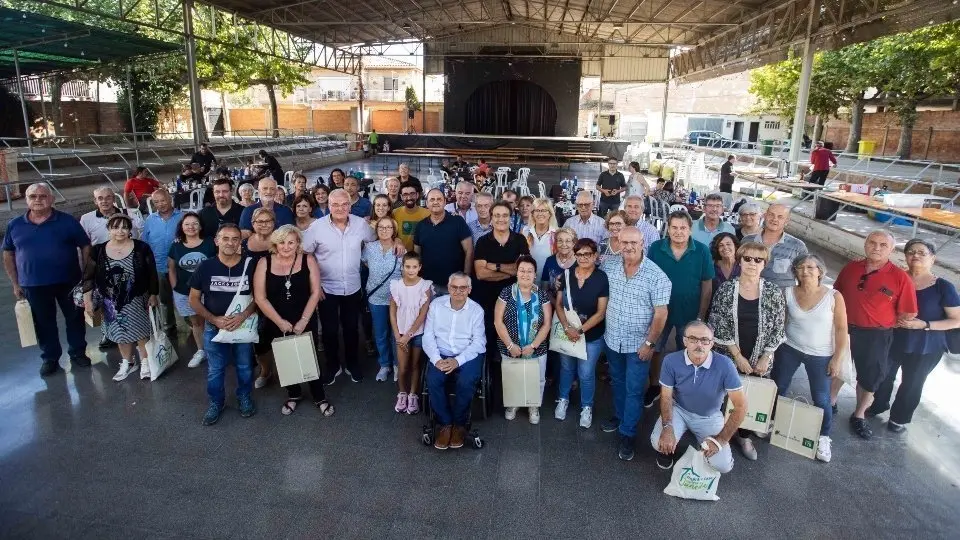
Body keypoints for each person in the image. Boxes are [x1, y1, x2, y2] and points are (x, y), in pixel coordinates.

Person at [834, 230, 918, 440]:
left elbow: (909, 312)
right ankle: (830, 402)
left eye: (883, 245)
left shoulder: (900, 277)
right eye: (873, 243)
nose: (877, 248)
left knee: (869, 377)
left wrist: (884, 322)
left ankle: (859, 414)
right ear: (866, 244)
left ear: (891, 249)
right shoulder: (851, 268)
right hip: (844, 328)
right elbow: (836, 294)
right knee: (837, 367)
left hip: (875, 335)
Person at [871, 239, 960, 433]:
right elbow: (880, 303)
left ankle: (898, 418)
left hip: (926, 345)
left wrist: (924, 324)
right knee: (882, 375)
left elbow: (956, 320)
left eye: (922, 252)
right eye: (911, 252)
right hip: (893, 339)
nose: (915, 256)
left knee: (912, 383)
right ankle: (877, 405)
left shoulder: (943, 287)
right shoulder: (896, 279)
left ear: (933, 259)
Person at [3, 183, 92, 376]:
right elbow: (8, 254)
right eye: (33, 196)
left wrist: (85, 273)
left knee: (75, 317)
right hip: (33, 284)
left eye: (43, 196)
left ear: (51, 199)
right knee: (43, 322)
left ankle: (78, 352)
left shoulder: (67, 221)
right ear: (26, 200)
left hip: (70, 281)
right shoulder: (15, 225)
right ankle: (50, 357)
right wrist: (15, 283)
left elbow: (85, 245)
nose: (38, 200)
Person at [709, 241, 786, 461]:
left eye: (758, 260)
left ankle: (744, 436)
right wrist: (737, 356)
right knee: (724, 397)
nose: (752, 263)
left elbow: (779, 326)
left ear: (764, 264)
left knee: (750, 398)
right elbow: (717, 322)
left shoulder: (772, 291)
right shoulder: (726, 289)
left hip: (760, 358)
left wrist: (766, 356)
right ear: (740, 261)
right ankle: (720, 436)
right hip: (729, 355)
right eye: (748, 258)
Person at [600, 227, 671, 461]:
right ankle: (620, 417)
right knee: (618, 382)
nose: (629, 247)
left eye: (634, 242)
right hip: (612, 339)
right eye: (625, 242)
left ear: (643, 244)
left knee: (633, 389)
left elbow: (661, 314)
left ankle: (628, 433)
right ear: (618, 243)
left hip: (639, 345)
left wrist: (650, 343)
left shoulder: (657, 276)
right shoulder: (609, 267)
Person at [771, 254, 848, 462]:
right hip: (790, 347)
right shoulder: (787, 292)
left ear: (820, 271)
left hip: (821, 354)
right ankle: (772, 422)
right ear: (795, 272)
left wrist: (837, 359)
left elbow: (841, 330)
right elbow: (782, 322)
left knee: (821, 397)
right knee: (779, 386)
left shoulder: (834, 296)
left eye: (811, 267)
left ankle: (823, 437)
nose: (805, 271)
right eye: (801, 267)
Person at [252, 225, 333, 417]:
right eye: (282, 242)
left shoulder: (308, 259)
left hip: (304, 317)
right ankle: (294, 394)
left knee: (310, 358)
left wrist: (304, 320)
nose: (286, 246)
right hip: (275, 319)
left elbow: (315, 292)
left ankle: (319, 396)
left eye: (291, 242)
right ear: (275, 243)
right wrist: (279, 322)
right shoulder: (264, 262)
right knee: (284, 358)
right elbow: (260, 298)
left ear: (298, 243)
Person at [303, 189, 378, 384]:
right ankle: (333, 365)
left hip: (352, 287)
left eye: (344, 204)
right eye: (335, 205)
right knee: (329, 330)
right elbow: (305, 254)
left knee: (351, 329)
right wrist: (314, 285)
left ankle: (352, 364)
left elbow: (375, 241)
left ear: (350, 206)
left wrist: (394, 239)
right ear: (328, 206)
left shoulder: (361, 224)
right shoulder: (316, 227)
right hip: (326, 288)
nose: (340, 208)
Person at [650, 321, 744, 473]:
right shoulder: (671, 361)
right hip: (679, 410)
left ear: (712, 343)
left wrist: (720, 440)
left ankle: (706, 445)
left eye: (705, 340)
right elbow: (666, 397)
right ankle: (668, 450)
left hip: (709, 416)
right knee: (657, 442)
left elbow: (741, 406)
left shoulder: (725, 365)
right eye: (693, 339)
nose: (699, 345)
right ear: (684, 341)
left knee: (723, 466)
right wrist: (667, 427)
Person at [188, 223, 258, 425]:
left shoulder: (249, 265)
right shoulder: (206, 266)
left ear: (240, 242)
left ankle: (244, 396)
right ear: (217, 241)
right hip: (213, 327)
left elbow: (259, 297)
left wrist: (243, 316)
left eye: (235, 239)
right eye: (225, 238)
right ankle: (216, 403)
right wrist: (213, 319)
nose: (230, 243)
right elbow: (193, 299)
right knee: (215, 369)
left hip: (242, 327)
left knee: (244, 367)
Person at [645, 211, 715, 408]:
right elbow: (648, 279)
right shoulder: (656, 248)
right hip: (660, 311)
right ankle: (654, 385)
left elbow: (707, 285)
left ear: (690, 230)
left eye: (683, 228)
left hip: (690, 313)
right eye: (674, 227)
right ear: (668, 228)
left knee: (687, 351)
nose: (678, 232)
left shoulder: (701, 250)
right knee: (655, 348)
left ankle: (682, 390)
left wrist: (701, 316)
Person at [83, 214, 159, 381]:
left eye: (124, 227)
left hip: (138, 298)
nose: (120, 231)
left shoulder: (141, 248)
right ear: (109, 229)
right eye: (115, 227)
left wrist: (153, 294)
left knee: (141, 332)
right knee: (119, 332)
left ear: (130, 230)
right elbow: (88, 277)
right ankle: (128, 362)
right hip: (110, 302)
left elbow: (152, 273)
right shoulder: (98, 250)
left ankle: (145, 361)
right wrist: (88, 300)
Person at [423, 273, 486, 450]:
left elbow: (479, 342)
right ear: (449, 288)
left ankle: (459, 424)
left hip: (466, 354)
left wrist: (458, 361)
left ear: (469, 290)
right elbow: (428, 336)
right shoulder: (436, 306)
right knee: (434, 380)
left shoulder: (476, 310)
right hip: (440, 353)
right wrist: (436, 359)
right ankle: (445, 424)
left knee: (466, 381)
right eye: (454, 287)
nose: (458, 291)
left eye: (463, 288)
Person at [554, 238, 609, 428]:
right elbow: (559, 304)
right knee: (567, 368)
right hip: (568, 333)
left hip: (591, 335)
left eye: (588, 254)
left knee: (585, 373)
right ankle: (563, 399)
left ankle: (587, 407)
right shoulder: (566, 274)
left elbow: (601, 312)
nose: (583, 258)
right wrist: (567, 328)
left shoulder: (601, 278)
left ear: (595, 256)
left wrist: (579, 331)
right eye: (579, 254)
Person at [494, 255, 553, 424]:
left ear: (535, 274)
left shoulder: (541, 295)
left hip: (536, 348)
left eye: (529, 271)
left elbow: (547, 323)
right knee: (513, 375)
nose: (525, 274)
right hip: (510, 346)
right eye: (522, 270)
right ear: (516, 272)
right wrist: (510, 345)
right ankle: (514, 403)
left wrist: (533, 346)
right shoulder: (506, 292)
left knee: (538, 378)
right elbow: (498, 321)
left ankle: (533, 405)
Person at [167, 211, 216, 368]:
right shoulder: (176, 246)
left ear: (200, 226)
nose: (191, 227)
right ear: (181, 227)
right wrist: (175, 286)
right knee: (196, 322)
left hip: (209, 291)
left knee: (212, 321)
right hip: (184, 291)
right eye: (187, 224)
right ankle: (202, 350)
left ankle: (216, 351)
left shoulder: (211, 242)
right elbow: (171, 268)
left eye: (195, 223)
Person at [390, 252, 434, 413]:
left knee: (415, 365)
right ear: (402, 267)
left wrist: (409, 335)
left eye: (414, 267)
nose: (411, 270)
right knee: (402, 367)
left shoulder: (425, 286)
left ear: (419, 268)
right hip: (401, 334)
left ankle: (413, 394)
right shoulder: (396, 285)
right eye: (407, 266)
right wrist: (397, 335)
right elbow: (392, 311)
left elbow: (423, 314)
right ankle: (402, 393)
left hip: (417, 334)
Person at [362, 216, 403, 382]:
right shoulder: (369, 248)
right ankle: (384, 364)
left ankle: (396, 364)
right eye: (381, 227)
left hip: (396, 300)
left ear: (394, 231)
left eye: (388, 227)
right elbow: (364, 263)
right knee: (380, 333)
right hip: (376, 298)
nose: (385, 230)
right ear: (376, 230)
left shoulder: (400, 250)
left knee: (396, 334)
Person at [414, 189, 473, 295]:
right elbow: (416, 255)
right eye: (432, 199)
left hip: (454, 285)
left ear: (445, 202)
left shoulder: (458, 222)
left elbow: (469, 250)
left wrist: (465, 278)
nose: (435, 202)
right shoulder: (420, 226)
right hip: (428, 285)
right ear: (427, 203)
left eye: (439, 199)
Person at [142, 189, 183, 332]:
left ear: (170, 199)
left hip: (180, 266)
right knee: (164, 299)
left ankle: (193, 323)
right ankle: (169, 325)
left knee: (184, 295)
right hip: (159, 266)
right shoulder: (150, 220)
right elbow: (145, 243)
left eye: (163, 200)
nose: (160, 204)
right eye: (156, 202)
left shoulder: (182, 217)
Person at [741, 203, 808, 288]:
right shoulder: (747, 241)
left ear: (786, 221)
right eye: (771, 215)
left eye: (780, 217)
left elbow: (805, 277)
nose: (774, 219)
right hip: (749, 296)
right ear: (765, 216)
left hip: (783, 299)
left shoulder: (798, 246)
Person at [525, 198, 557, 282]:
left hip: (549, 284)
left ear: (550, 213)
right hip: (528, 282)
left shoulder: (556, 234)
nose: (540, 213)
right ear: (532, 213)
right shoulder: (525, 232)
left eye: (543, 210)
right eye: (537, 210)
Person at [392, 181, 430, 251]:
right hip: (401, 256)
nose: (409, 197)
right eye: (405, 194)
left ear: (417, 195)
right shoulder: (395, 213)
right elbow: (392, 234)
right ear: (401, 197)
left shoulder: (427, 214)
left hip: (421, 255)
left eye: (412, 194)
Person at [540, 227, 577, 292]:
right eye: (560, 241)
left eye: (568, 241)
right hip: (551, 300)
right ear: (556, 243)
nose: (564, 244)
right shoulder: (550, 260)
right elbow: (544, 288)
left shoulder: (580, 261)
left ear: (573, 243)